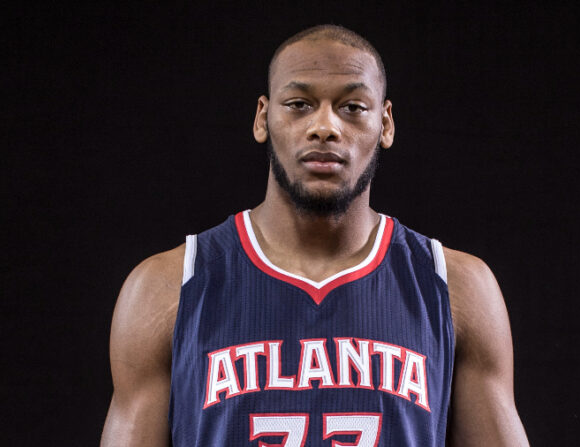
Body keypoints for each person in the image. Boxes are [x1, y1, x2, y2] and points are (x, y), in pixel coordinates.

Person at [101, 25, 529, 447]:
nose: (324, 126)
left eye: (353, 107)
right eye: (300, 104)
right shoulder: (167, 287)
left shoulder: (455, 288)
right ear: (262, 118)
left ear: (386, 124)